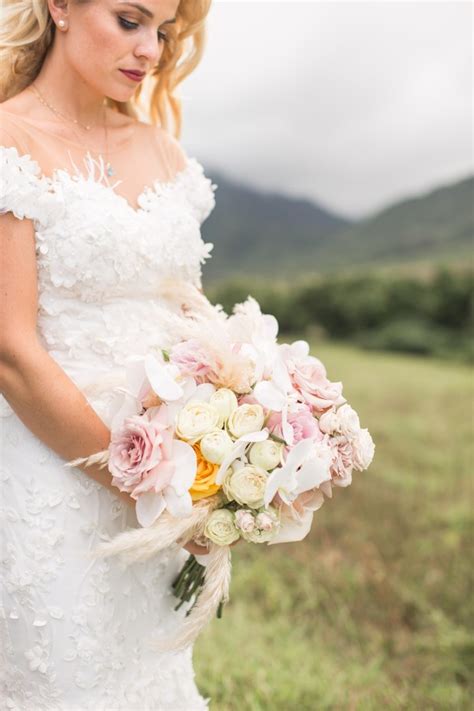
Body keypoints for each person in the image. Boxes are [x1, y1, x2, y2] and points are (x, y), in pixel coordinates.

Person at [0, 0, 218, 707]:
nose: (150, 49)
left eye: (162, 29)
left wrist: (227, 447)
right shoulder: (9, 141)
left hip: (161, 488)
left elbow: (191, 321)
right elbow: (10, 351)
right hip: (49, 476)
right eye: (129, 20)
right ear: (60, 5)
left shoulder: (164, 152)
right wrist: (140, 484)